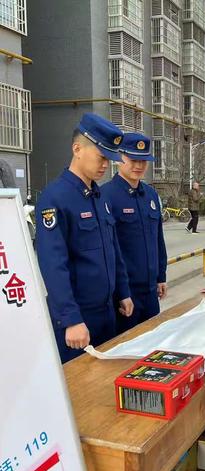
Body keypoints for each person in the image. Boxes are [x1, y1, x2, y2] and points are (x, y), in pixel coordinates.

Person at [35, 113, 133, 363]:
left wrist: (123, 291)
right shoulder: (55, 198)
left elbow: (113, 250)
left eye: (109, 160)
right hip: (79, 320)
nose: (105, 166)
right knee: (79, 393)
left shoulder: (98, 196)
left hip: (107, 312)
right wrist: (70, 319)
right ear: (77, 149)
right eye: (101, 158)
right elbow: (53, 264)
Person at [101, 133, 168, 334]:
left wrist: (161, 275)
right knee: (127, 350)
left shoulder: (150, 194)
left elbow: (158, 239)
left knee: (153, 346)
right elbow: (109, 249)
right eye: (133, 159)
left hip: (150, 292)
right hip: (125, 295)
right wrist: (122, 292)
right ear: (119, 157)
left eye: (143, 160)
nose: (139, 165)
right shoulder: (106, 195)